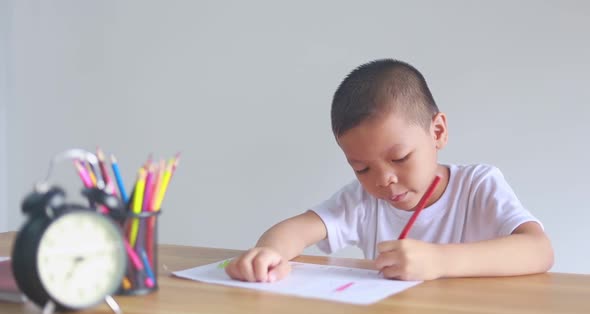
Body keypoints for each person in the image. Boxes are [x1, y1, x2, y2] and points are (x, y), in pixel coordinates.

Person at [225, 59, 554, 282]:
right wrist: (269, 253)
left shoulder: (477, 186)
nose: (383, 180)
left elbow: (539, 251)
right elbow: (296, 229)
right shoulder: (364, 202)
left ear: (437, 132)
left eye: (399, 158)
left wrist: (439, 262)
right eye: (362, 168)